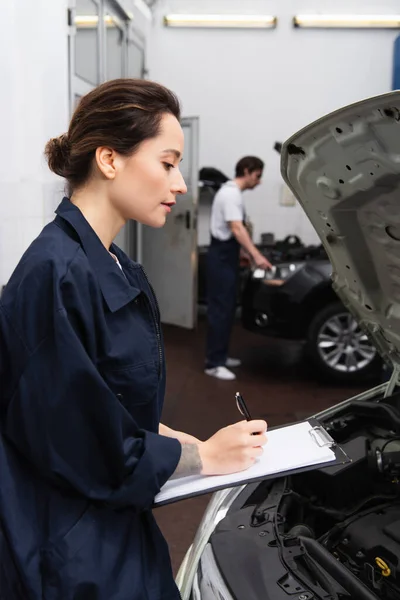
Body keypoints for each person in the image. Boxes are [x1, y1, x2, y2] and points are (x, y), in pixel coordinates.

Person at [0, 79, 268, 599]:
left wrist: (189, 442)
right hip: (70, 546)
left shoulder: (114, 264)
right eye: (168, 163)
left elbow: (112, 406)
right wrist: (207, 458)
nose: (182, 184)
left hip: (113, 521)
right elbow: (92, 448)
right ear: (109, 159)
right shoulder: (56, 276)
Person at [205, 156, 272, 381]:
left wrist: (242, 254)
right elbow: (236, 228)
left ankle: (221, 357)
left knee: (227, 309)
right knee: (220, 310)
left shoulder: (231, 193)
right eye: (257, 175)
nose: (259, 181)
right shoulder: (230, 194)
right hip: (221, 258)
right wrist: (257, 256)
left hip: (227, 256)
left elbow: (233, 230)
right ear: (246, 170)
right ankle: (213, 364)